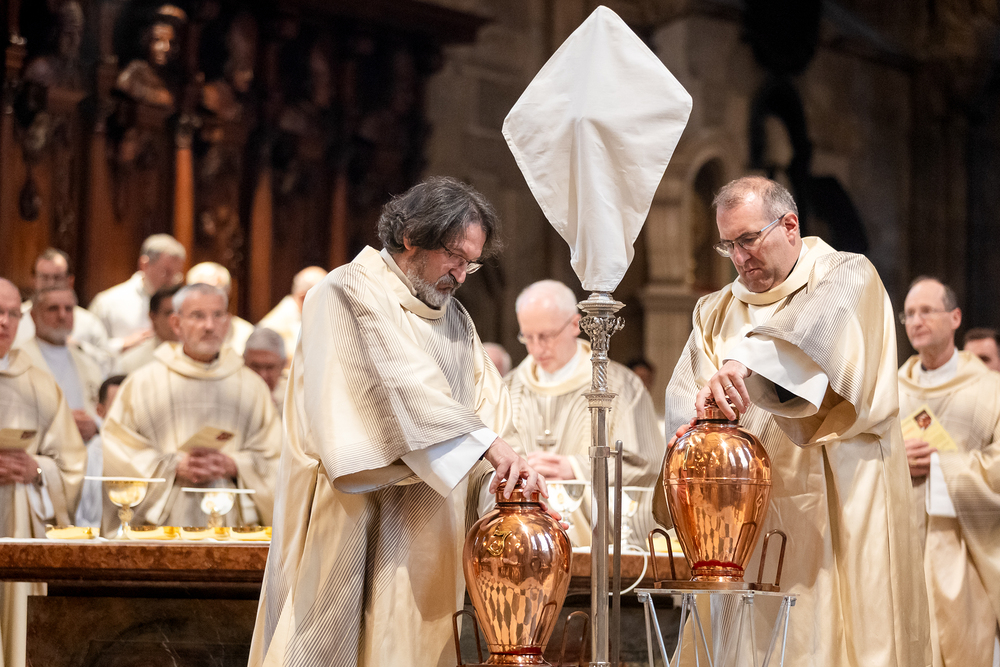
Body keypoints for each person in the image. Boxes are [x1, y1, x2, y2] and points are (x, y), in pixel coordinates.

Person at [249, 177, 548, 667]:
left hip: (432, 528)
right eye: (454, 255)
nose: (462, 274)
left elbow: (489, 409)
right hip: (354, 517)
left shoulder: (455, 319)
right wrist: (488, 446)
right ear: (411, 236)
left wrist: (508, 480)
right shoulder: (345, 291)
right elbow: (394, 386)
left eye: (471, 262)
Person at [652, 176, 927, 666]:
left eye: (748, 239)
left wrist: (744, 364)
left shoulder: (846, 275)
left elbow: (818, 336)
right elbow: (685, 395)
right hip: (740, 521)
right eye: (728, 245)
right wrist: (698, 418)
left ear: (790, 225)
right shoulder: (714, 310)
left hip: (835, 505)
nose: (739, 258)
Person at [101, 284, 280, 533]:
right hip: (163, 525)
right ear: (176, 324)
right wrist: (172, 466)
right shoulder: (142, 383)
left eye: (218, 315)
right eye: (198, 316)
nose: (209, 325)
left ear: (227, 323)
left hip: (232, 524)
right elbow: (117, 450)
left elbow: (276, 456)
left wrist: (234, 465)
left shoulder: (252, 386)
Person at [506, 279, 663, 545]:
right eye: (527, 337)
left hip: (596, 543)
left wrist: (577, 468)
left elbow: (645, 463)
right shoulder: (507, 389)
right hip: (523, 538)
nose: (537, 348)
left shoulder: (622, 386)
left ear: (574, 325)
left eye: (546, 336)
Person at [898, 277, 1000, 667]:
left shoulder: (991, 388)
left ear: (955, 317)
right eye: (909, 314)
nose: (916, 320)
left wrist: (944, 467)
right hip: (902, 547)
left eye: (926, 311)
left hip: (965, 550)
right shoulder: (890, 390)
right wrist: (895, 462)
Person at [0, 278, 86, 667]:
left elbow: (70, 461)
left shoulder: (38, 382)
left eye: (12, 314)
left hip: (20, 524)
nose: (4, 322)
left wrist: (36, 468)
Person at [17, 287, 103, 444]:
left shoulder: (88, 364)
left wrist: (95, 426)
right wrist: (62, 424)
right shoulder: (16, 361)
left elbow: (102, 413)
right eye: (53, 308)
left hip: (86, 451)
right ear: (34, 315)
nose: (62, 315)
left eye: (68, 309)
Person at [14, 248, 110, 372]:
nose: (51, 284)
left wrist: (78, 348)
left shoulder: (89, 323)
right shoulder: (16, 318)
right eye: (44, 277)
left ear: (70, 281)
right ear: (34, 280)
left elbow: (107, 364)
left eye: (57, 277)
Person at [88, 233, 185, 354]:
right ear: (144, 265)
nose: (171, 281)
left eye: (177, 274)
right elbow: (87, 347)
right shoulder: (108, 302)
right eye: (166, 273)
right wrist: (122, 344)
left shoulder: (182, 303)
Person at [75, 375, 126, 528]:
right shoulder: (90, 454)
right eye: (118, 406)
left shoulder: (151, 453)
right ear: (100, 411)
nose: (126, 414)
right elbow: (81, 515)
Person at [257, 265, 327, 359]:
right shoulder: (276, 325)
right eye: (323, 297)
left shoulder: (309, 316)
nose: (326, 304)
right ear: (304, 297)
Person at [185, 261, 255, 354]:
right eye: (203, 291)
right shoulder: (178, 330)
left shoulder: (246, 333)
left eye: (215, 292)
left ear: (228, 293)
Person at [113, 285, 181, 375]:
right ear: (153, 317)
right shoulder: (130, 362)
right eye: (169, 313)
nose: (176, 320)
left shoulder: (198, 355)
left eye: (181, 313)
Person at [243, 328, 286, 412]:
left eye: (270, 367)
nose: (262, 375)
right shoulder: (231, 394)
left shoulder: (293, 401)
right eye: (255, 366)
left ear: (282, 365)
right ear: (244, 362)